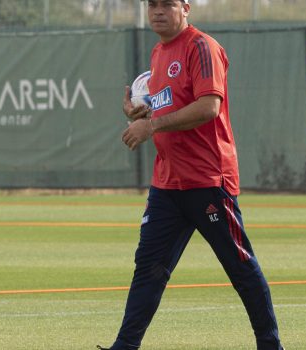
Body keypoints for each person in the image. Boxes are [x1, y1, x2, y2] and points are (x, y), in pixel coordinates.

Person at [98, 0, 284, 349]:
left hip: (208, 180)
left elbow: (208, 107)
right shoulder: (157, 53)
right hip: (167, 183)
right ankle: (124, 346)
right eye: (151, 4)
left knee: (239, 267)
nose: (157, 11)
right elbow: (165, 106)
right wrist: (140, 115)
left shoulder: (202, 47)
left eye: (166, 4)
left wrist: (151, 125)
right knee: (149, 268)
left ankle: (270, 344)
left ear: (185, 7)